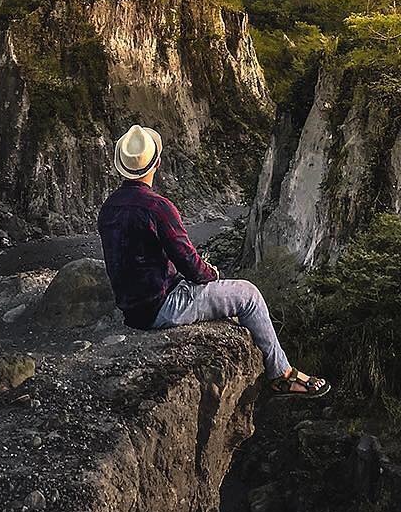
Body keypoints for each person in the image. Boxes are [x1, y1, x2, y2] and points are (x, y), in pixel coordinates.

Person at [97, 124, 329, 397]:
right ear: (157, 163)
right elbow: (192, 266)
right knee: (249, 295)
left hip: (131, 310)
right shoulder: (158, 207)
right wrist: (213, 274)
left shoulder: (108, 208)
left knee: (226, 295)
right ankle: (282, 374)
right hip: (160, 308)